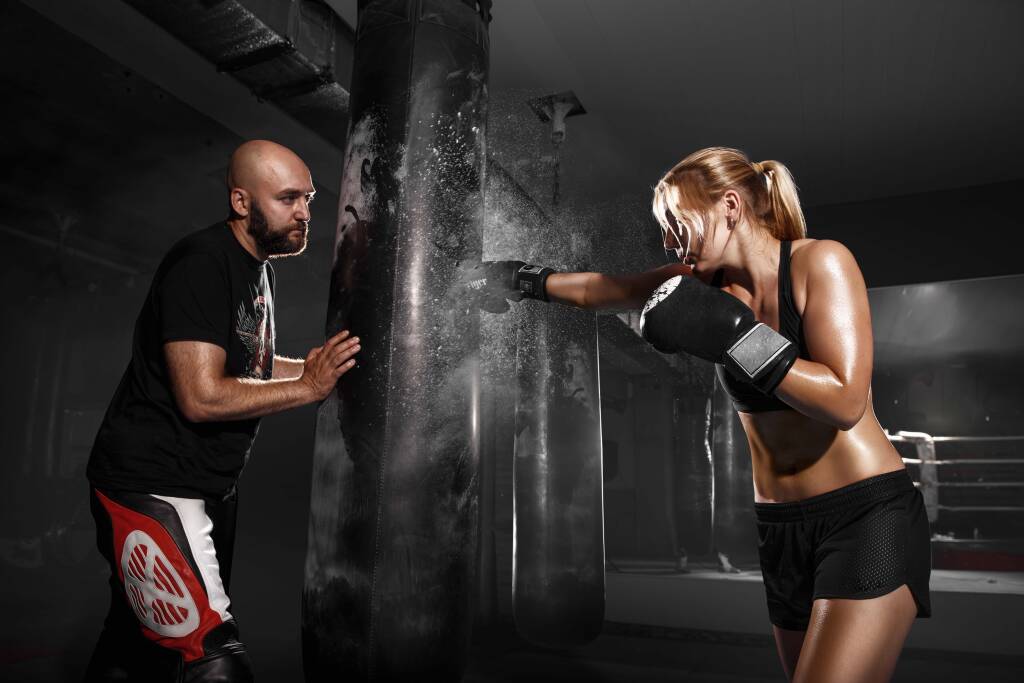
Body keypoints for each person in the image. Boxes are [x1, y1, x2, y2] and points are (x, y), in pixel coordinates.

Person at [493, 147, 931, 683]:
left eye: (679, 223)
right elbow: (600, 289)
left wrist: (736, 336)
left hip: (865, 516)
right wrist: (519, 278)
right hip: (780, 529)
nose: (672, 241)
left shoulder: (820, 261)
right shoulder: (700, 284)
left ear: (729, 206)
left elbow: (845, 400)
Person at [84, 140, 361, 682]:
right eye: (287, 199)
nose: (305, 213)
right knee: (211, 660)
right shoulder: (202, 264)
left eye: (308, 198)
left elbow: (248, 364)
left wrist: (311, 367)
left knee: (135, 643)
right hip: (151, 486)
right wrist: (308, 389)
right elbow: (202, 395)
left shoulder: (260, 269)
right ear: (241, 201)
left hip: (207, 486)